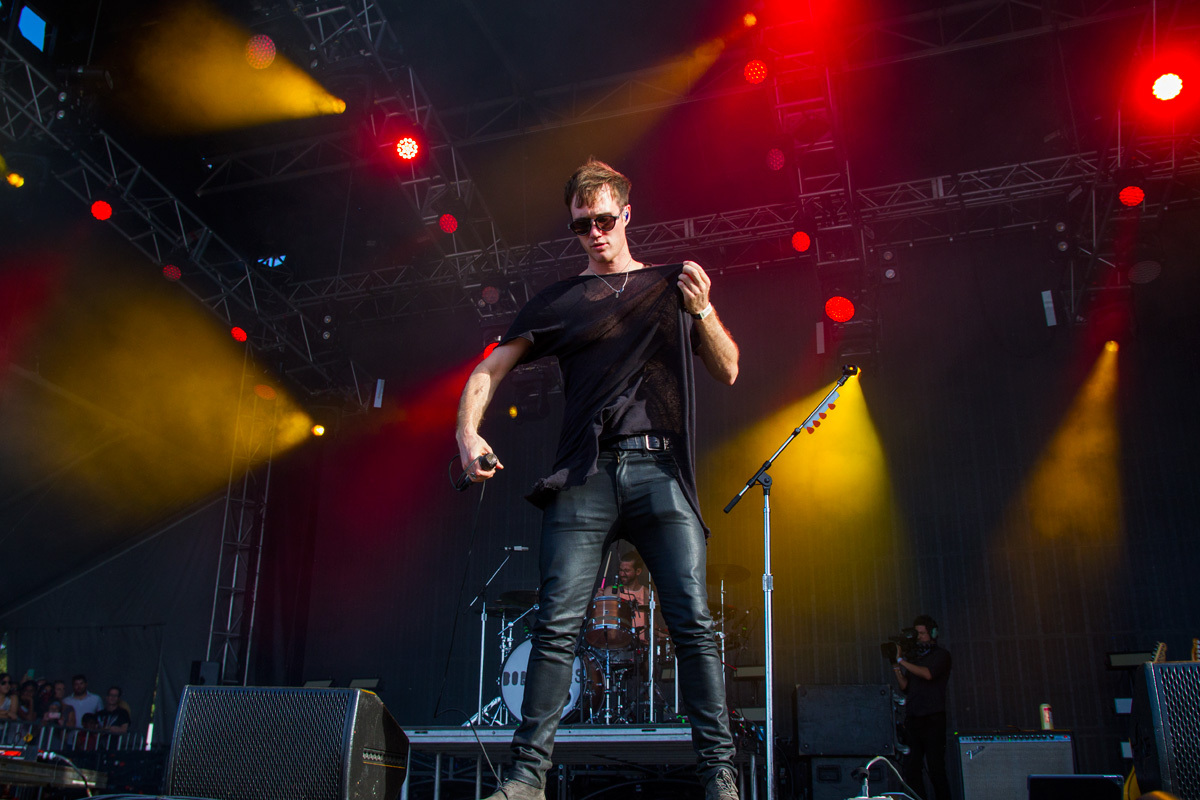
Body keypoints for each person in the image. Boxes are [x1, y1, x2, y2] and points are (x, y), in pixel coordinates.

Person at [456, 158, 741, 800]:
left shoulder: (670, 286)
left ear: (627, 217)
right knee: (557, 626)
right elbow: (486, 371)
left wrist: (703, 311)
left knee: (692, 622)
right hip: (585, 473)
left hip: (659, 468)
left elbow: (727, 369)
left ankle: (719, 773)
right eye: (583, 226)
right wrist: (468, 434)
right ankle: (527, 777)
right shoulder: (557, 302)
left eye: (606, 221)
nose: (596, 234)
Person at [891, 615, 952, 800]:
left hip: (933, 719)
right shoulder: (915, 659)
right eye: (916, 633)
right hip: (914, 719)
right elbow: (905, 687)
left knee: (935, 769)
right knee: (912, 769)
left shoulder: (941, 655)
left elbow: (928, 674)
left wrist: (902, 661)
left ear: (933, 633)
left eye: (922, 633)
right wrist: (896, 664)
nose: (919, 637)